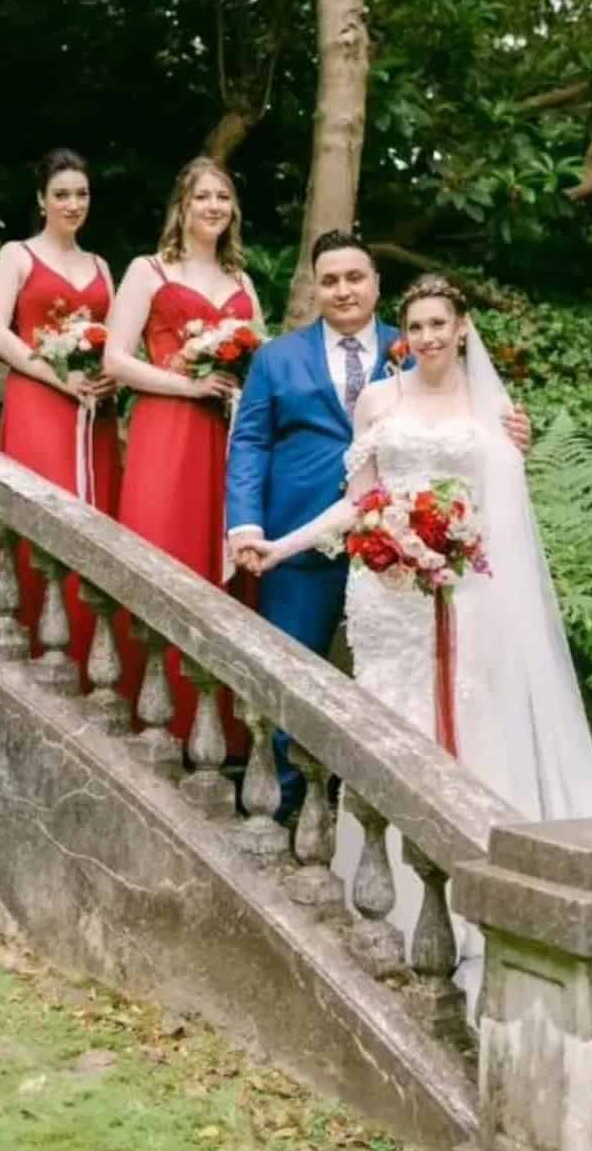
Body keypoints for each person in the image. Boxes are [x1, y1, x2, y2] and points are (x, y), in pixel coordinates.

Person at [237, 273, 592, 1151]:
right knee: (386, 730)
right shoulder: (379, 400)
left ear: (462, 329)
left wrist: (453, 547)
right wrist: (283, 542)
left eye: (441, 324)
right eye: (418, 325)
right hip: (386, 598)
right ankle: (376, 905)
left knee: (464, 736)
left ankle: (472, 911)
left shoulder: (492, 413)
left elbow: (503, 521)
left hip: (462, 602)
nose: (427, 336)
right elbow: (364, 498)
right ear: (407, 332)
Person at [226, 231, 528, 816]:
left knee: (410, 693)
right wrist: (247, 527)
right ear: (315, 287)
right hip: (304, 536)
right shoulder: (276, 357)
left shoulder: (419, 343)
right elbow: (250, 443)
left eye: (354, 278)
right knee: (296, 678)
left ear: (376, 285)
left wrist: (517, 437)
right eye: (331, 280)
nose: (343, 290)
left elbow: (478, 442)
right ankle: (285, 810)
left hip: (410, 569)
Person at [104, 156, 263, 755]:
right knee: (160, 549)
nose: (215, 207)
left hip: (224, 436)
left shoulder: (242, 285)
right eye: (204, 197)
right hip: (166, 428)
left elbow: (259, 365)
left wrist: (238, 389)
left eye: (224, 197)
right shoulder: (148, 271)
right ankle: (147, 713)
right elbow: (115, 359)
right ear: (183, 205)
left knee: (214, 560)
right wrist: (190, 385)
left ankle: (216, 727)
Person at [0, 148, 120, 676]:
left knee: (96, 518)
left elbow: (116, 339)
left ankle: (92, 656)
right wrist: (57, 374)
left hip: (94, 412)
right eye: (61, 194)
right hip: (40, 400)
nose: (72, 203)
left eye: (81, 194)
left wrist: (109, 375)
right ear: (41, 200)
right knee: (45, 511)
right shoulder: (17, 255)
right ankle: (38, 648)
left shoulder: (102, 266)